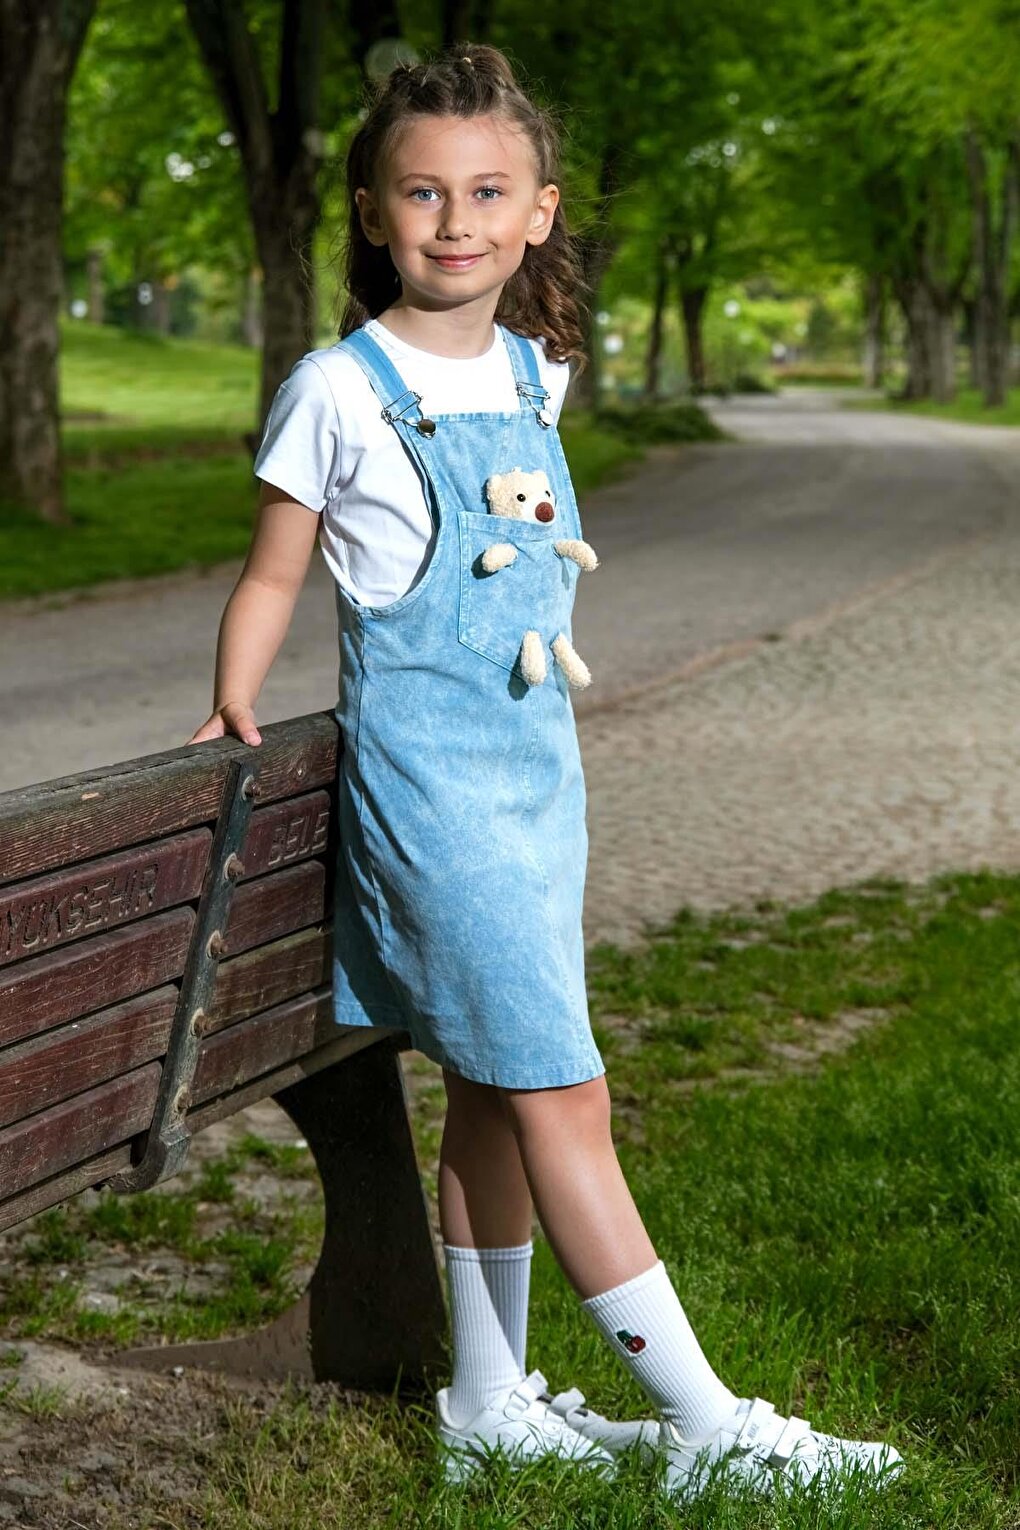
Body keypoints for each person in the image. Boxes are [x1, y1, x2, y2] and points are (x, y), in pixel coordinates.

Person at [187, 42, 904, 1504]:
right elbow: (271, 573)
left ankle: (485, 1398)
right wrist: (231, 700)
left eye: (487, 192)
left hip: (536, 781)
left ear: (536, 212)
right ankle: (713, 1421)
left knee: (500, 1088)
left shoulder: (534, 373)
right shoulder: (337, 388)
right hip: (436, 803)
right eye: (424, 193)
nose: (455, 219)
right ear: (378, 214)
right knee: (563, 1090)